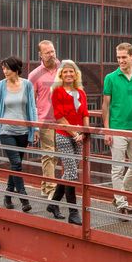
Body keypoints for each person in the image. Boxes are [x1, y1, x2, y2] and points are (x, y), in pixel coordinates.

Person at [102, 43, 132, 217]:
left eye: (124, 57)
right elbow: (105, 105)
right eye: (118, 57)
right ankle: (121, 203)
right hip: (117, 128)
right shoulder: (111, 78)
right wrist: (107, 130)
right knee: (117, 168)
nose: (121, 60)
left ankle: (119, 194)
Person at [0, 56, 37, 212]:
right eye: (3, 68)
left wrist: (35, 129)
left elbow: (32, 108)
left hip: (23, 132)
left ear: (16, 69)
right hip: (6, 131)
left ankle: (8, 196)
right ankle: (24, 198)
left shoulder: (27, 85)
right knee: (16, 164)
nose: (4, 71)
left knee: (15, 166)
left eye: (7, 68)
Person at [47, 60, 89, 225]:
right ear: (61, 75)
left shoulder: (81, 92)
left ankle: (53, 204)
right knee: (72, 174)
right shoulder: (57, 92)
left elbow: (85, 113)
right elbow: (59, 117)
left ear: (76, 74)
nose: (69, 74)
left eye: (71, 72)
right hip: (64, 135)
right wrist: (75, 133)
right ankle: (73, 212)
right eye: (65, 72)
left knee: (69, 174)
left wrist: (84, 132)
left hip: (79, 137)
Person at [28, 40, 60, 199]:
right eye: (47, 52)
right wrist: (33, 126)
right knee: (49, 154)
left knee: (56, 155)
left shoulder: (64, 69)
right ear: (40, 55)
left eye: (52, 51)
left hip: (63, 120)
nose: (51, 54)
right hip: (45, 120)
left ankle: (44, 185)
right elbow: (30, 102)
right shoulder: (34, 75)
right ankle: (51, 189)